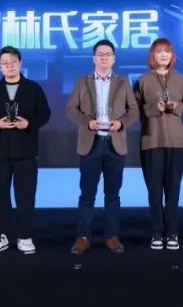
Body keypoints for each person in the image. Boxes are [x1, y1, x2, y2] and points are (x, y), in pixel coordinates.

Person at [65, 39, 139, 255]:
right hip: (91, 143)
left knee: (113, 194)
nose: (104, 57)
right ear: (93, 58)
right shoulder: (82, 81)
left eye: (108, 54)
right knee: (87, 194)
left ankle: (111, 237)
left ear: (114, 58)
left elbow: (134, 110)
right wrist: (87, 122)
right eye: (100, 54)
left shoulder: (123, 82)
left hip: (115, 144)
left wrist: (121, 123)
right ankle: (83, 237)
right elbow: (71, 109)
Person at [0, 46, 51, 255]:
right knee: (0, 196)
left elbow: (45, 113)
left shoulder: (33, 88)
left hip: (26, 151)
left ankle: (25, 236)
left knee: (25, 196)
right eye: (5, 63)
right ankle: (1, 235)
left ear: (20, 63)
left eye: (13, 62)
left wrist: (29, 123)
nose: (9, 66)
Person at [133, 38, 183, 250]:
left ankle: (172, 232)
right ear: (152, 55)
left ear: (172, 55)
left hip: (176, 141)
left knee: (173, 189)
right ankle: (157, 232)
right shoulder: (142, 80)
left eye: (167, 51)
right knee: (154, 190)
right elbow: (134, 108)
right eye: (159, 51)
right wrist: (153, 108)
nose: (164, 55)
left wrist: (176, 106)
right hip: (151, 140)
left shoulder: (180, 79)